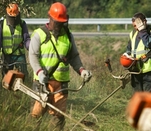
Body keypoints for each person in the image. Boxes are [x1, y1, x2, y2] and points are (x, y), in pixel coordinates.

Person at [28, 2, 92, 130]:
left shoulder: (68, 35)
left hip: (61, 84)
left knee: (58, 117)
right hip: (42, 83)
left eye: (62, 23)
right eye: (57, 22)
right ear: (50, 18)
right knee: (36, 115)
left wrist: (82, 70)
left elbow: (74, 56)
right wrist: (39, 72)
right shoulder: (39, 34)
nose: (59, 25)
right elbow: (32, 56)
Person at [120, 12, 151, 92]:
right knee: (138, 97)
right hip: (135, 70)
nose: (136, 28)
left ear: (144, 21)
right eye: (134, 26)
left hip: (149, 70)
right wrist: (126, 56)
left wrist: (142, 30)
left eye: (138, 25)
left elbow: (149, 44)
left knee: (148, 98)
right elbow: (129, 49)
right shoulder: (133, 33)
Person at [0, 3, 30, 77]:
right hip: (6, 55)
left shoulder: (22, 23)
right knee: (6, 78)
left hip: (19, 55)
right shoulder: (2, 24)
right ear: (7, 15)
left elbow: (26, 39)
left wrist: (31, 48)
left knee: (23, 75)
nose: (13, 19)